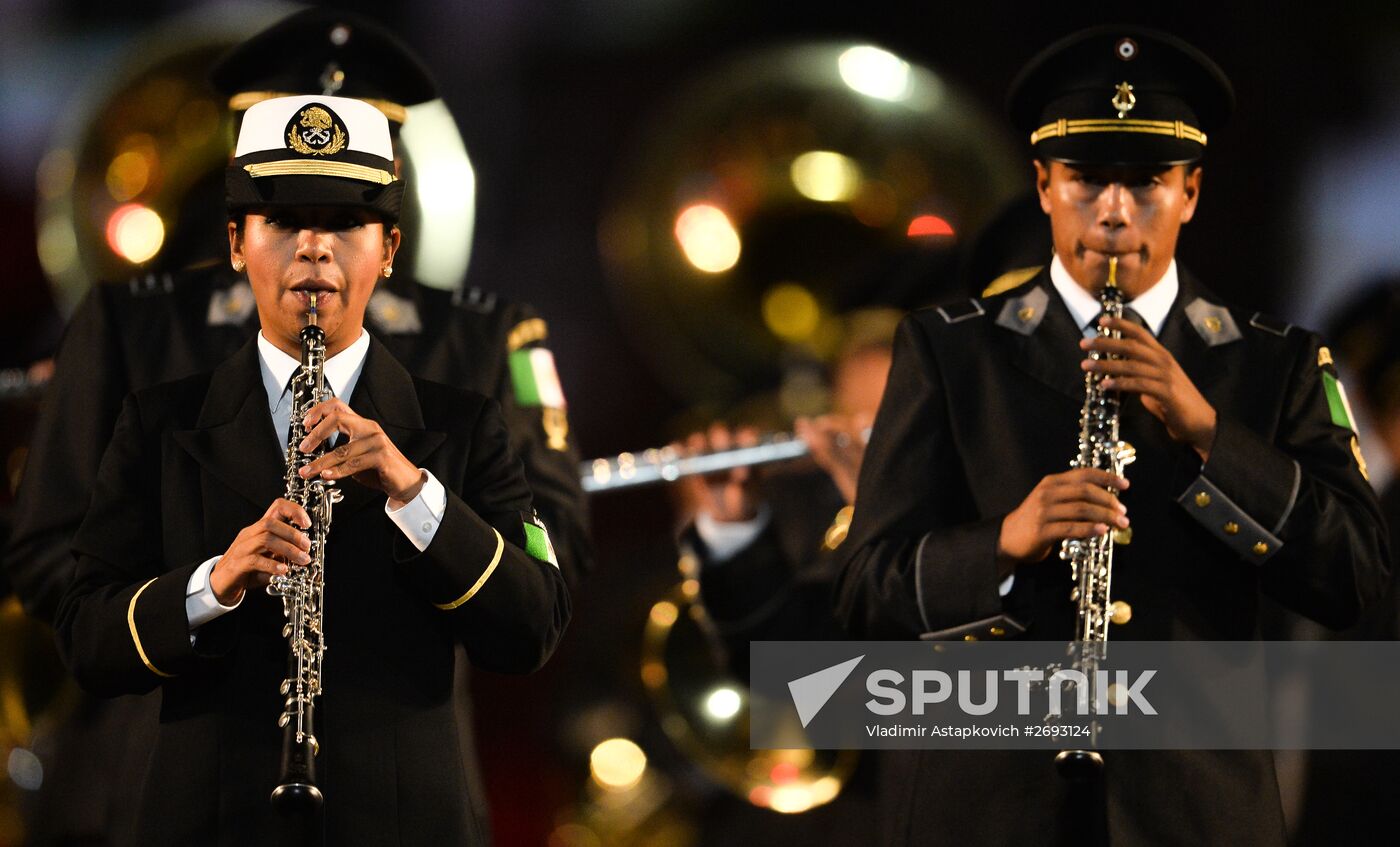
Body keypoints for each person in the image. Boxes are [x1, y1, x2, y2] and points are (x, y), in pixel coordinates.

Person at [4, 10, 587, 844]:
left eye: (347, 206)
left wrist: (417, 505)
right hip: (162, 766)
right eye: (284, 205)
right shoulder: (136, 329)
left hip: (396, 781)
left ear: (389, 225)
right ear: (240, 226)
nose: (315, 243)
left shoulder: (481, 342)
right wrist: (208, 589)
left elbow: (545, 567)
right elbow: (57, 559)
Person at [834, 25, 1388, 846]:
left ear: (1192, 191)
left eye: (1148, 182)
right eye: (1088, 179)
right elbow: (862, 598)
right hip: (987, 811)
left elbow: (1356, 577)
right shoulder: (951, 350)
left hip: (1194, 814)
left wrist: (1207, 430)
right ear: (1044, 185)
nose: (1116, 213)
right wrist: (1003, 545)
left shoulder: (1280, 363)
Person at [675, 310, 897, 845]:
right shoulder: (817, 518)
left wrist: (884, 515)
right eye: (853, 419)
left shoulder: (989, 515)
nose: (861, 444)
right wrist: (735, 525)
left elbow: (955, 690)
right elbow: (788, 683)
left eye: (886, 422)